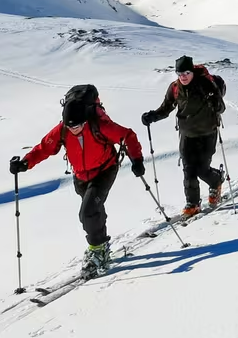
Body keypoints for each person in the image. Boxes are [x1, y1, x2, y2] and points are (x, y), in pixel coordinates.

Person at [9, 84, 145, 278]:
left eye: (78, 125)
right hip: (80, 176)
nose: (74, 129)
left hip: (104, 170)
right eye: (70, 126)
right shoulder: (63, 129)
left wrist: (137, 159)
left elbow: (128, 136)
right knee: (93, 209)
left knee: (88, 212)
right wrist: (24, 163)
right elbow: (44, 148)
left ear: (85, 120)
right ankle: (103, 245)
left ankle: (97, 251)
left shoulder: (100, 124)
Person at [142, 56, 228, 217]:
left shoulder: (205, 84)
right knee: (188, 170)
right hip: (187, 134)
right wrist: (152, 116)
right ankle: (193, 204)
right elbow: (166, 108)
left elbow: (221, 107)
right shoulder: (175, 88)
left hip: (207, 133)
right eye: (179, 73)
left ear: (192, 72)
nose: (183, 76)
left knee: (202, 170)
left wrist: (214, 101)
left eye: (186, 73)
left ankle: (216, 181)